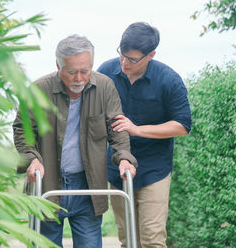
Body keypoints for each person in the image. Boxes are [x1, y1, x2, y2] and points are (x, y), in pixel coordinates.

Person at [13, 34, 138, 248]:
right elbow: (22, 130)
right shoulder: (39, 89)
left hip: (88, 186)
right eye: (72, 72)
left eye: (85, 70)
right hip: (48, 182)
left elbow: (116, 128)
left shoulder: (105, 87)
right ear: (58, 66)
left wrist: (124, 158)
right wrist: (32, 159)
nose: (79, 78)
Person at [98, 22, 192, 248]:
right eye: (122, 55)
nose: (124, 63)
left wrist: (137, 129)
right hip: (117, 166)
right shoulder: (104, 72)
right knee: (127, 238)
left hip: (154, 169)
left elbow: (182, 125)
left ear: (151, 55)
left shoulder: (169, 80)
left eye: (132, 59)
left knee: (152, 238)